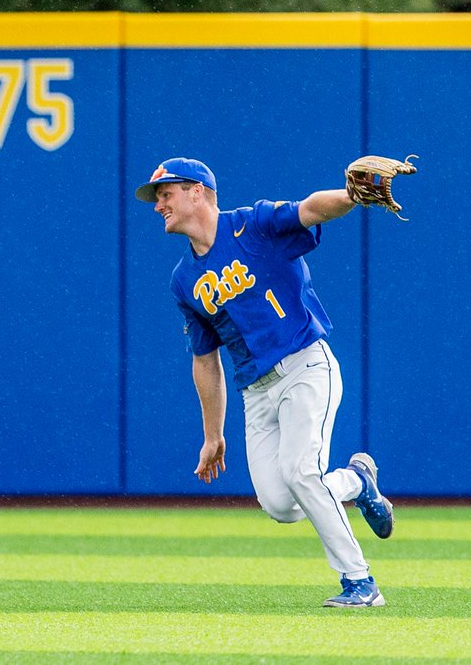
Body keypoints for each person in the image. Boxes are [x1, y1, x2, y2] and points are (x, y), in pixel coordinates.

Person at [135, 157, 395, 608]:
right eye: (157, 197)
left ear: (197, 191)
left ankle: (361, 583)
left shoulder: (251, 225)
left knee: (300, 472)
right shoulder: (184, 281)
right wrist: (212, 434)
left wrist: (351, 196)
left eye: (165, 193)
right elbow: (204, 360)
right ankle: (356, 481)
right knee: (281, 505)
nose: (159, 205)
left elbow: (311, 209)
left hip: (305, 367)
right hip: (255, 392)